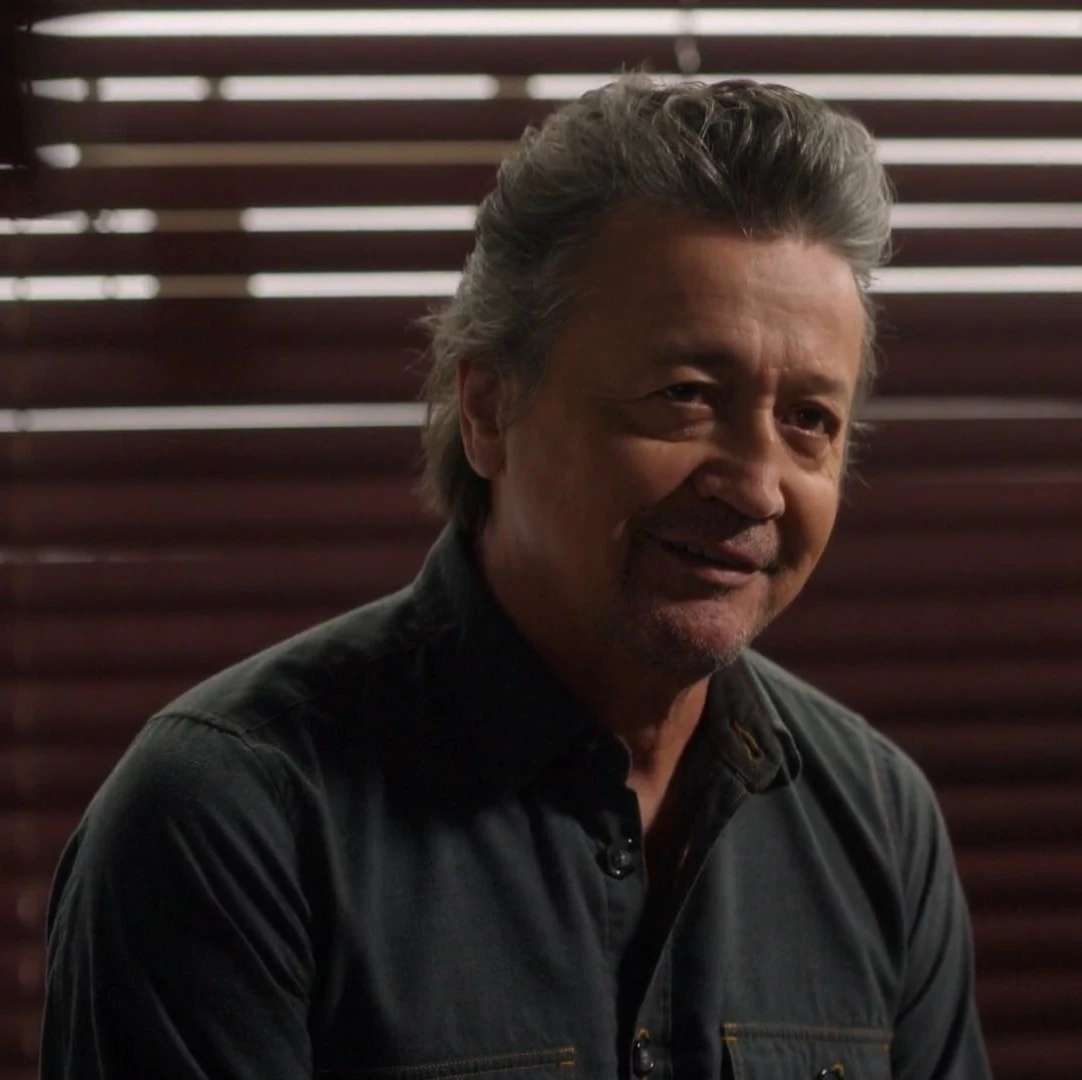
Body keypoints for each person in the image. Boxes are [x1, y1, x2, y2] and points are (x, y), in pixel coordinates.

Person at [41, 75, 991, 1079]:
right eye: (683, 394)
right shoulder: (230, 819)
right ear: (490, 410)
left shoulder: (877, 818)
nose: (757, 487)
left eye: (808, 420)